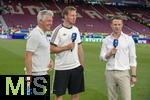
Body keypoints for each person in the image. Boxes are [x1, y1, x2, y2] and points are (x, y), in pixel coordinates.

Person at [50, 6, 84, 100]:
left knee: (76, 94)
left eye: (75, 15)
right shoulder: (58, 30)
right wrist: (66, 47)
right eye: (72, 15)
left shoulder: (76, 29)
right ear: (65, 16)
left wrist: (81, 65)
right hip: (62, 68)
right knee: (59, 95)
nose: (74, 17)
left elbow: (79, 47)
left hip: (76, 67)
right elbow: (51, 49)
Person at [100, 16, 137, 100]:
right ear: (111, 25)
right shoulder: (106, 40)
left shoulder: (128, 39)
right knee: (112, 98)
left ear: (122, 25)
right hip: (109, 72)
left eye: (119, 24)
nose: (117, 26)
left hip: (123, 73)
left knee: (126, 98)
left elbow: (132, 58)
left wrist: (134, 75)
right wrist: (109, 54)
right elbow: (101, 57)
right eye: (115, 24)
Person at [25, 10, 53, 75]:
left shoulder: (43, 33)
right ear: (40, 21)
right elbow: (28, 55)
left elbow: (41, 51)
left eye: (51, 21)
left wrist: (49, 60)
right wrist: (29, 75)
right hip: (36, 74)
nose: (51, 23)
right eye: (48, 21)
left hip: (43, 72)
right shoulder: (35, 34)